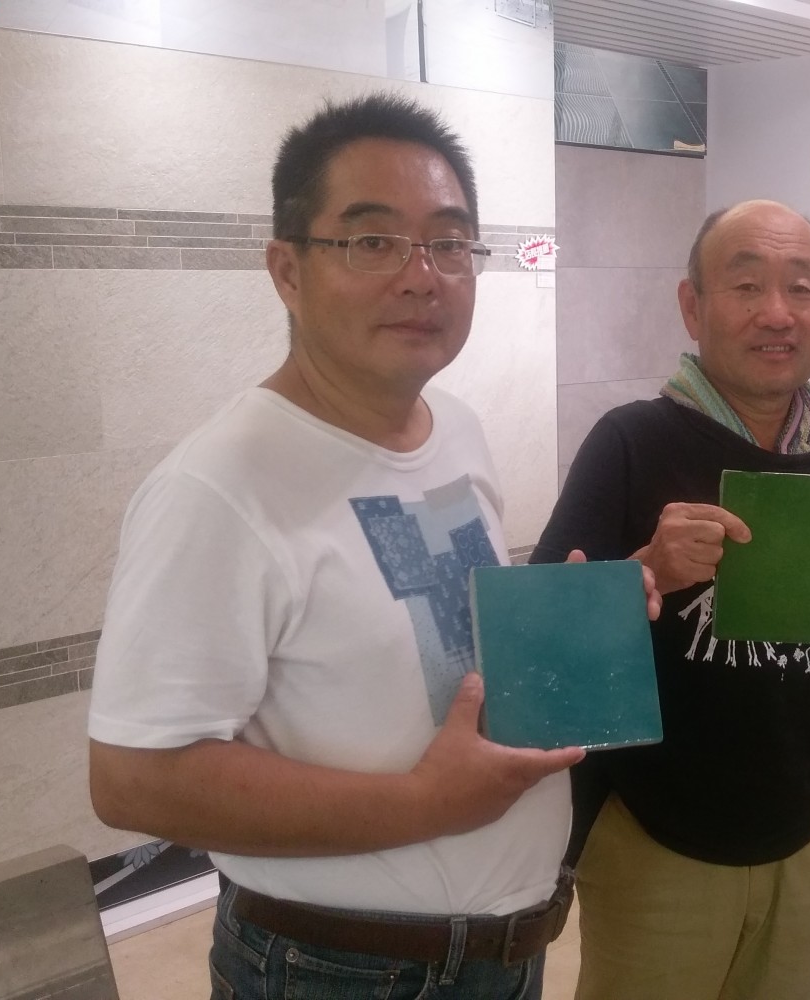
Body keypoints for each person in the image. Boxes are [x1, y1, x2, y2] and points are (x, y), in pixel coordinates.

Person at [86, 93, 648, 1000]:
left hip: (503, 954)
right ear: (287, 269)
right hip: (340, 970)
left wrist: (574, 624)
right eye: (372, 241)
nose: (422, 277)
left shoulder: (456, 429)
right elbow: (132, 780)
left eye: (449, 243)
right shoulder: (218, 489)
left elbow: (427, 655)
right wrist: (425, 804)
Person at [533, 199, 810, 1000]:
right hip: (652, 839)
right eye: (746, 286)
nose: (776, 313)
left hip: (805, 838)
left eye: (801, 288)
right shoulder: (631, 444)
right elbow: (539, 652)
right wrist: (645, 569)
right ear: (693, 305)